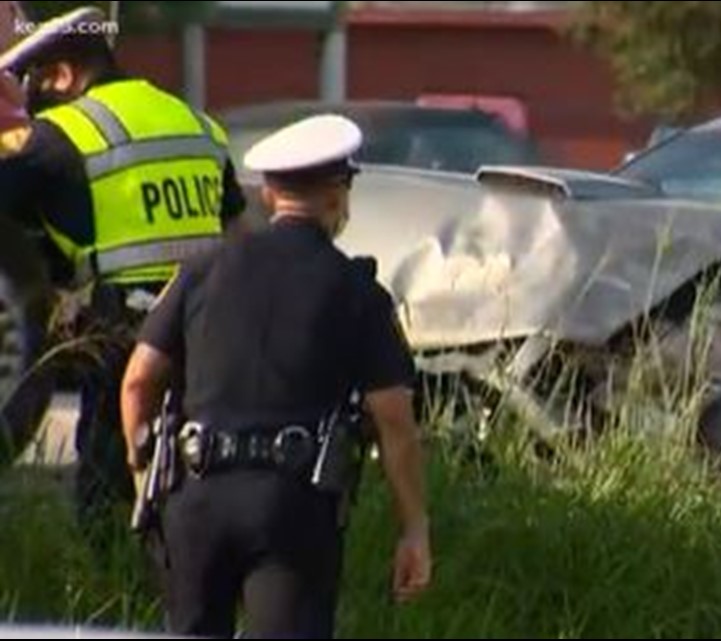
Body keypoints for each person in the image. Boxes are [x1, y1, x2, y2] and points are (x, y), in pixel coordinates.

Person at [118, 113, 432, 638]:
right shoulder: (355, 289)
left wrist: (142, 473)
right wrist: (414, 530)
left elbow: (138, 381)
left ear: (267, 194)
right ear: (338, 195)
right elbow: (394, 418)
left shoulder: (200, 270)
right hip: (291, 508)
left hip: (194, 499)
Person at [0, 6, 246, 537]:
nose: (31, 100)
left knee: (108, 498)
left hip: (125, 340)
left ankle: (117, 580)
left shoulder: (60, 135)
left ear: (62, 75)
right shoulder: (195, 122)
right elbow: (237, 231)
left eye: (33, 83)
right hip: (211, 331)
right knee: (197, 483)